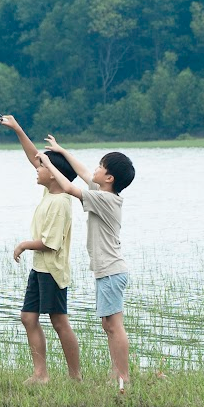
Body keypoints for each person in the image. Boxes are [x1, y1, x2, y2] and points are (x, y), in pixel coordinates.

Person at [38, 135, 135, 390]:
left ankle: (122, 376)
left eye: (100, 167)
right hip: (108, 272)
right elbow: (81, 173)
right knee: (108, 324)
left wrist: (50, 163)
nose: (95, 170)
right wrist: (61, 150)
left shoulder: (105, 199)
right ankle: (118, 373)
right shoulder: (101, 193)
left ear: (110, 178)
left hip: (112, 271)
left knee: (114, 326)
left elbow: (70, 188)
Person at [0, 114, 81, 384]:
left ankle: (75, 378)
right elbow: (34, 155)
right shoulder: (50, 191)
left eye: (42, 167)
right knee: (28, 317)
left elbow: (49, 243)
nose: (37, 169)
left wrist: (23, 244)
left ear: (54, 175)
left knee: (59, 322)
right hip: (39, 268)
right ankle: (40, 374)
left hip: (52, 272)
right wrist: (18, 129)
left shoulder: (61, 202)